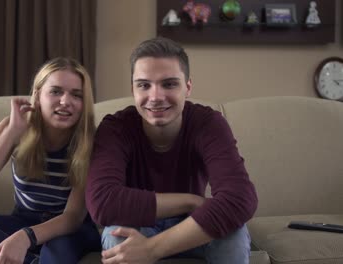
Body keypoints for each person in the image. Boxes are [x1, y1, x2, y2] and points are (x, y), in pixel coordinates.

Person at [85, 37, 258, 264]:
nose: (156, 97)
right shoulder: (115, 128)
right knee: (118, 234)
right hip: (139, 223)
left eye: (169, 84)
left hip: (194, 225)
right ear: (133, 89)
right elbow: (102, 202)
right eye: (144, 85)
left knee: (233, 233)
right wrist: (189, 200)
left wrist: (152, 250)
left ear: (187, 87)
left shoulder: (208, 123)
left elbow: (240, 199)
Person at [0, 57, 101, 264]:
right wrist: (11, 134)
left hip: (69, 229)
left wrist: (26, 237)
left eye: (76, 95)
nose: (65, 101)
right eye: (56, 91)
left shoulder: (92, 142)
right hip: (23, 219)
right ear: (38, 95)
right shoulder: (13, 127)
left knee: (57, 250)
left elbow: (73, 217)